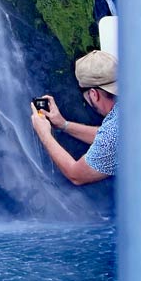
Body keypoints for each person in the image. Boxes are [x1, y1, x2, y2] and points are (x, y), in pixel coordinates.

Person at [30, 50, 118, 185]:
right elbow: (107, 137)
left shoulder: (113, 133)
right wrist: (63, 124)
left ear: (94, 94)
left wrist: (43, 133)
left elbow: (76, 175)